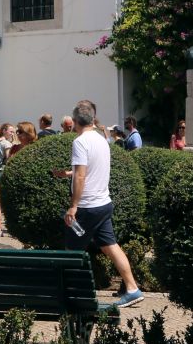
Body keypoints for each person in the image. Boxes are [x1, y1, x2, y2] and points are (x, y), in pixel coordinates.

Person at [59, 100, 143, 308]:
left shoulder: (80, 142)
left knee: (72, 250)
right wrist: (68, 173)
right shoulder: (102, 139)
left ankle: (73, 294)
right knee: (110, 246)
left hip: (87, 206)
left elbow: (81, 176)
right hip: (103, 203)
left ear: (75, 121)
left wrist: (73, 206)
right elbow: (91, 169)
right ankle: (132, 288)